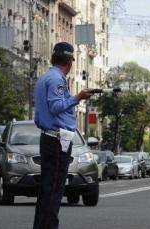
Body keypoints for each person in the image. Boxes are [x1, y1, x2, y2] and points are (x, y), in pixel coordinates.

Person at [33, 42, 93, 229]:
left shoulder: (44, 78)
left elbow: (38, 116)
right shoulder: (57, 80)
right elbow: (56, 106)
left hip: (48, 137)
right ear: (69, 62)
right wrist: (78, 98)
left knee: (46, 189)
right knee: (54, 190)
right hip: (58, 140)